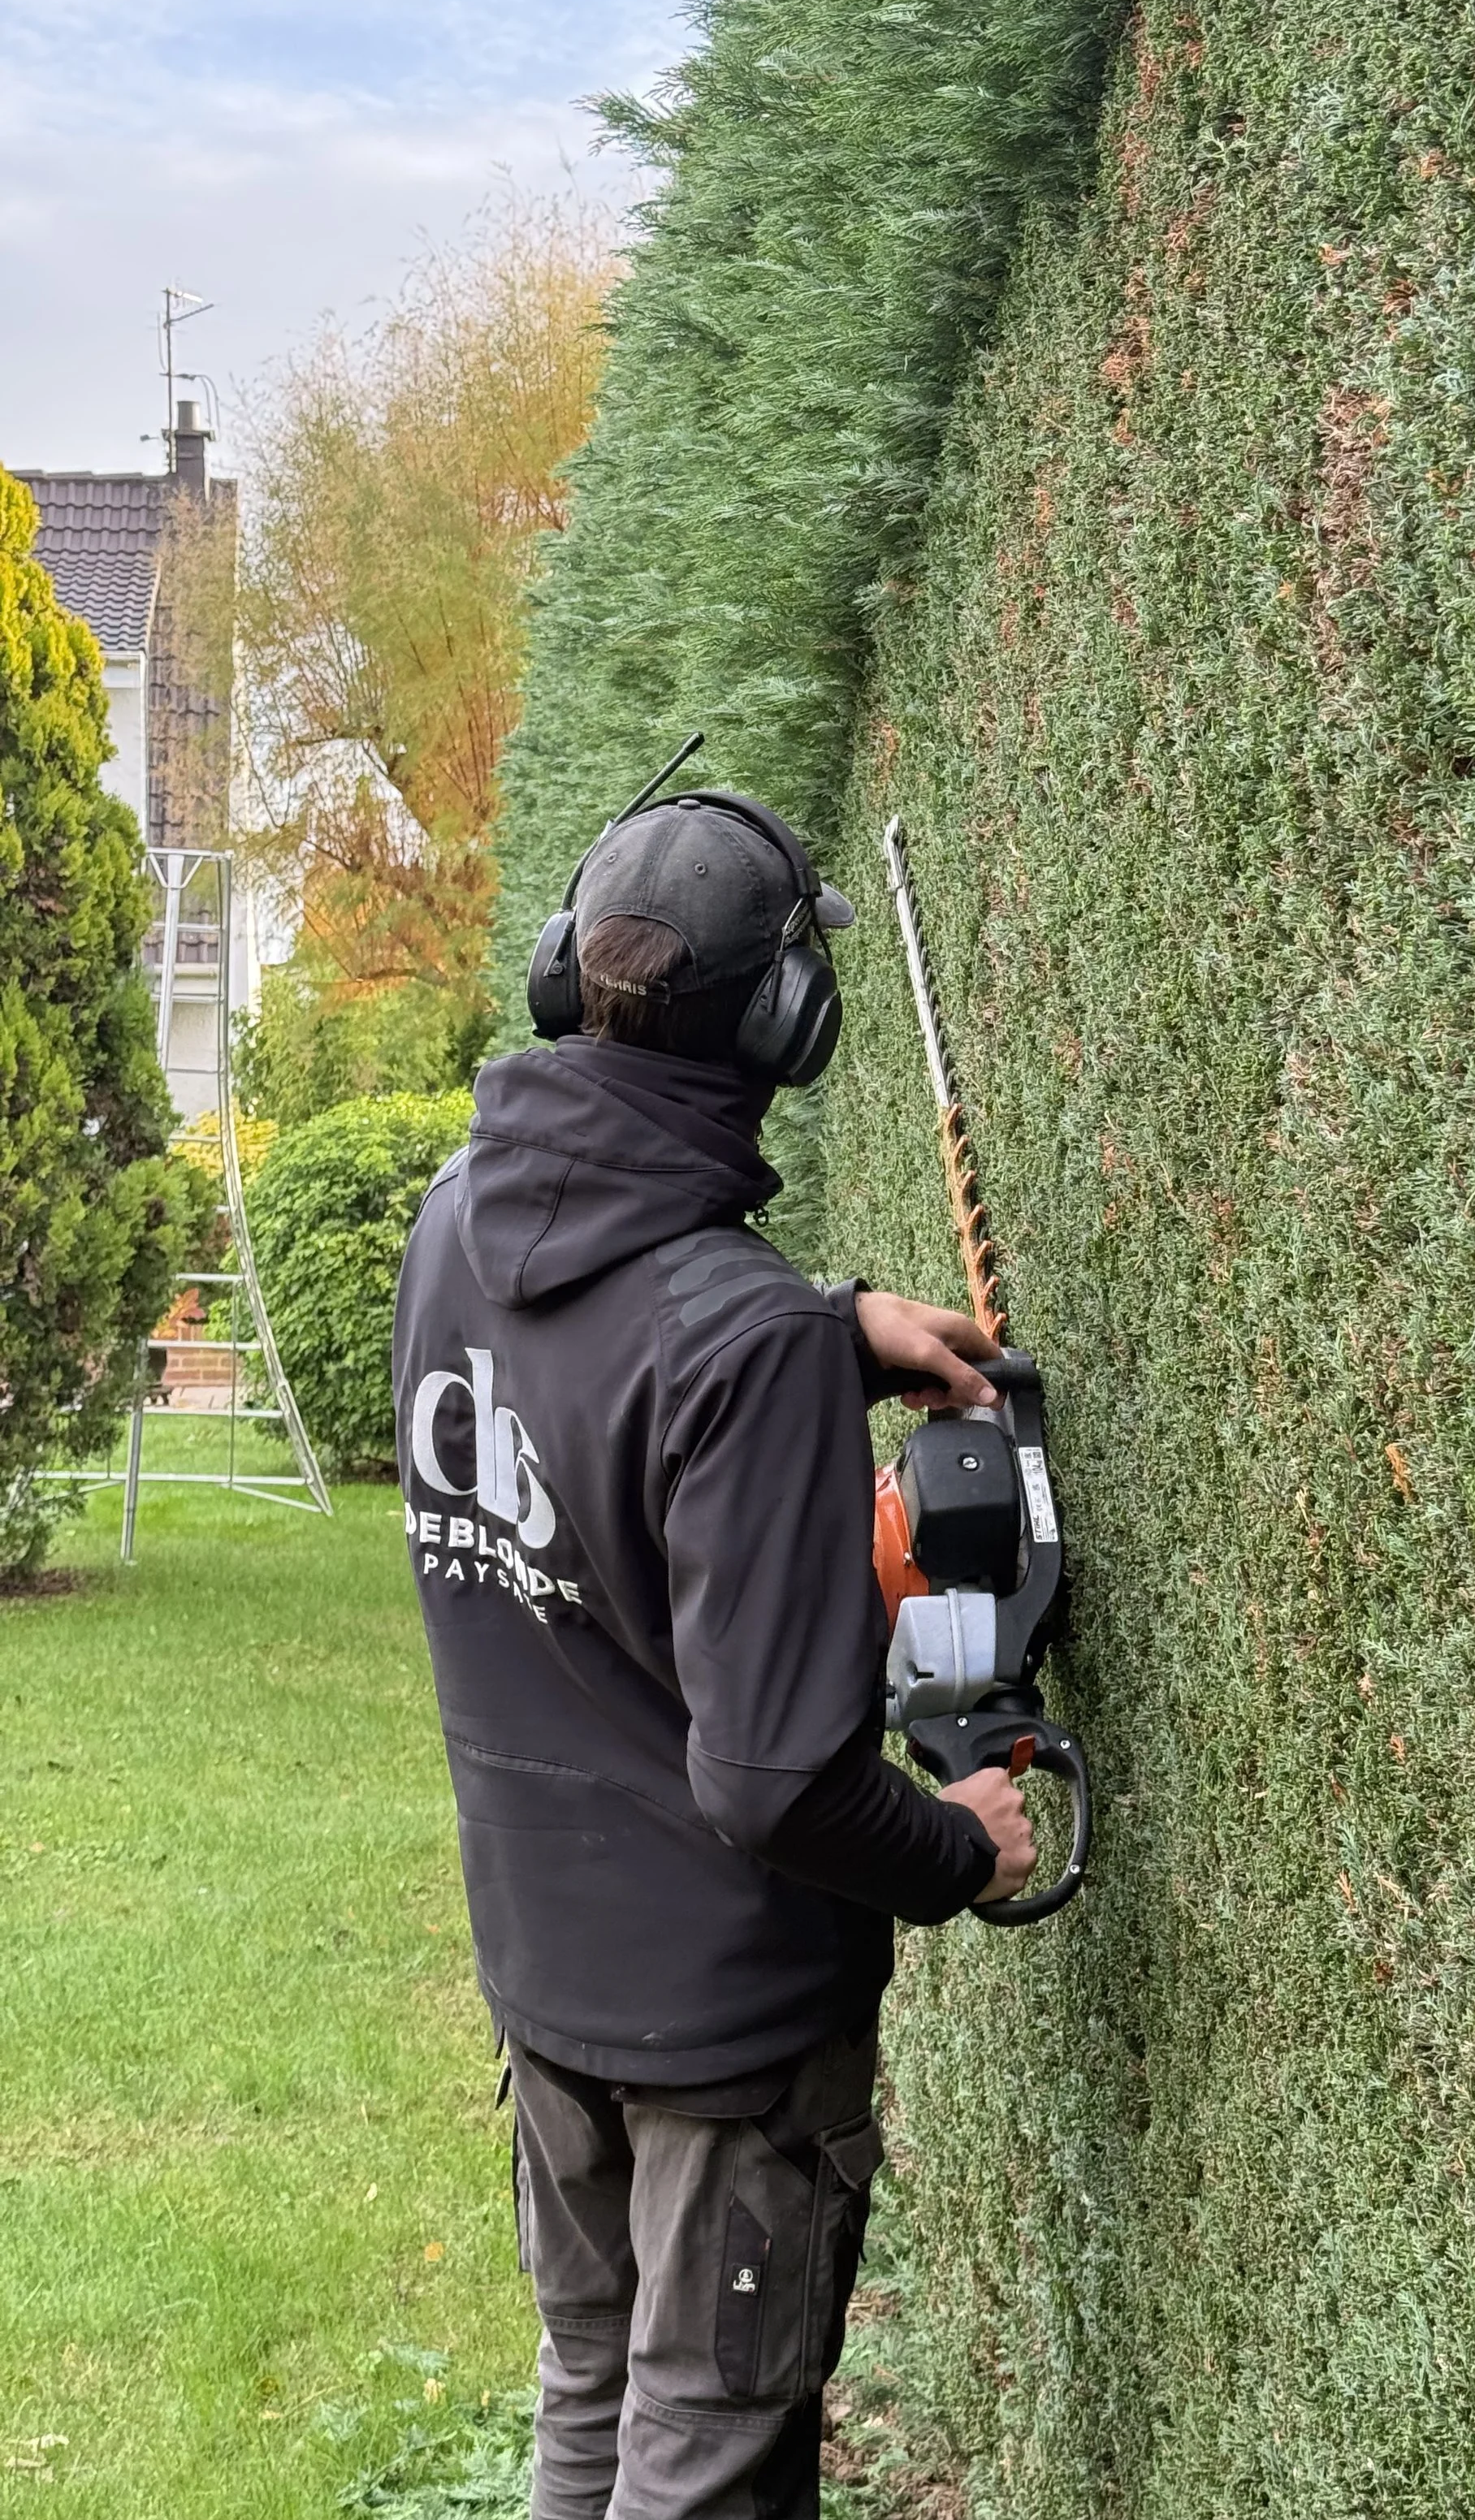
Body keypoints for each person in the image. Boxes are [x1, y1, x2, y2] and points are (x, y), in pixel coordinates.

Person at [391, 785, 1036, 2520]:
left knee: (590, 2405)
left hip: (547, 1981)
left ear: (560, 971)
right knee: (701, 2470)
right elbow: (775, 1784)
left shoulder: (450, 1225)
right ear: (786, 1027)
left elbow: (600, 1384)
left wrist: (825, 1333)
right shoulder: (735, 1342)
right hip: (726, 2036)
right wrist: (958, 1845)